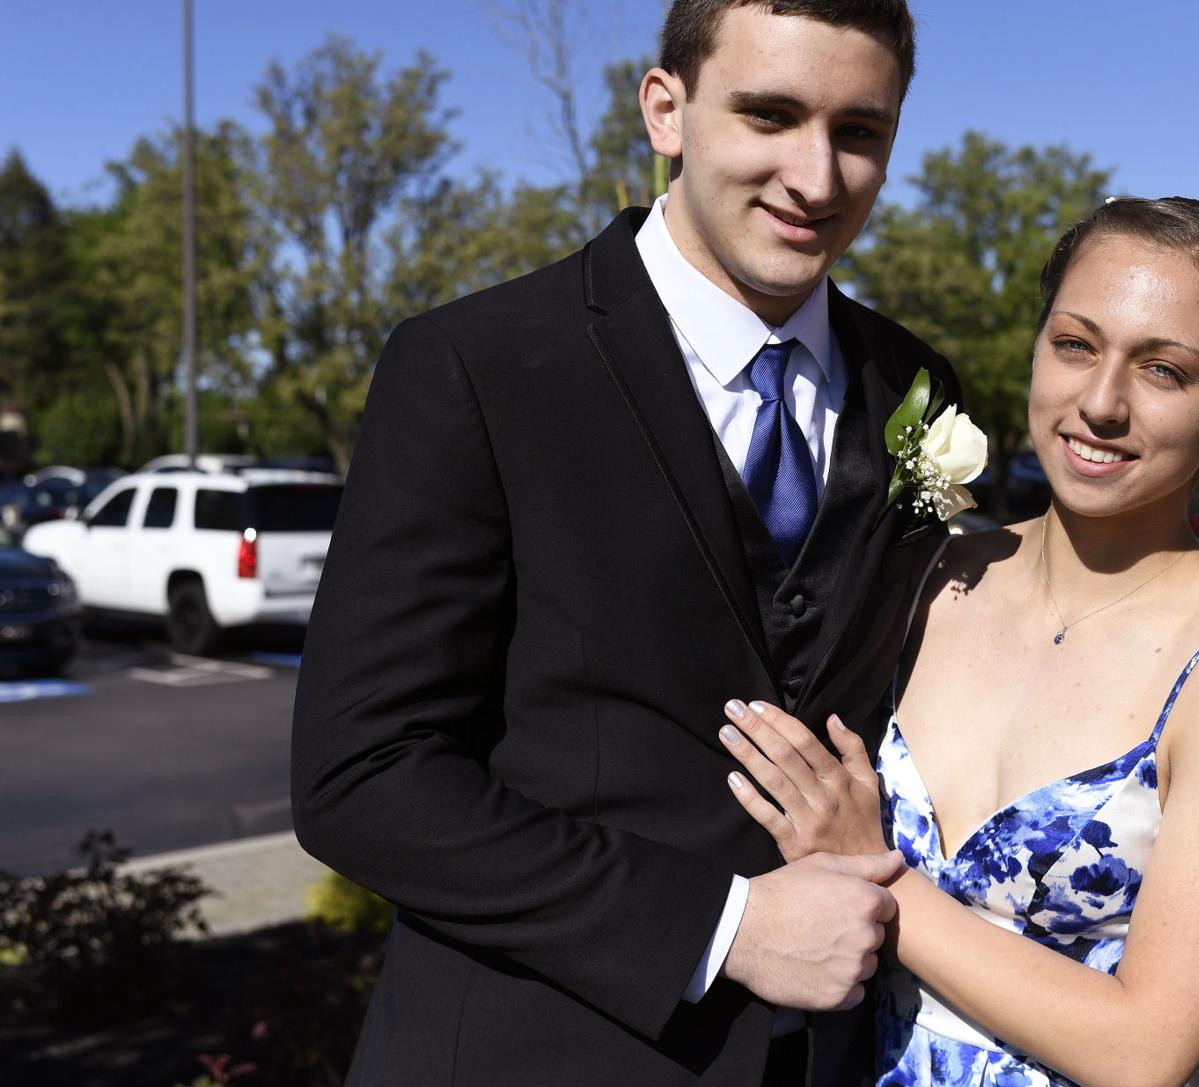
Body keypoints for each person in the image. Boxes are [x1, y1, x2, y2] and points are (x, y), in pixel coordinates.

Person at [290, 1, 966, 1084]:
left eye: (859, 131)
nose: (817, 175)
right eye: (770, 114)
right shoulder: (477, 365)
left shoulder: (918, 388)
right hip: (532, 1051)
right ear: (667, 110)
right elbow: (363, 775)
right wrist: (724, 926)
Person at [715, 197, 1199, 1087]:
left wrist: (870, 870)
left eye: (1165, 370)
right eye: (1076, 344)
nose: (1101, 403)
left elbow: (1144, 1049)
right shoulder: (921, 576)